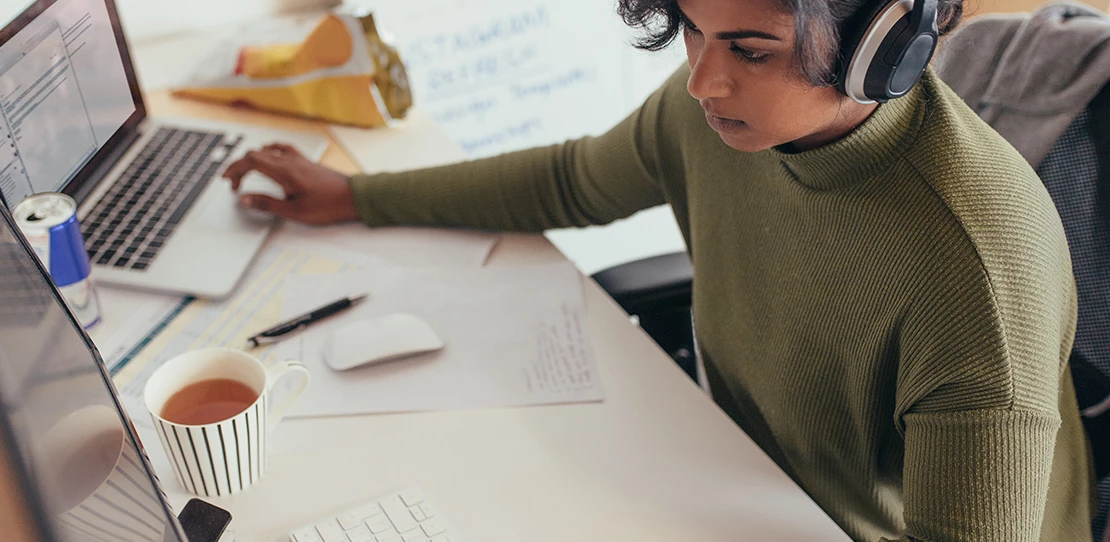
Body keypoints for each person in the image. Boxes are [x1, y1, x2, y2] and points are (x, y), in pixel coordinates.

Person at [223, 0, 1094, 539]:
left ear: (885, 46)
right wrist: (358, 196)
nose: (703, 82)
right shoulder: (729, 119)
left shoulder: (976, 271)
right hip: (725, 463)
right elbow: (572, 179)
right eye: (692, 30)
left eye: (749, 50)